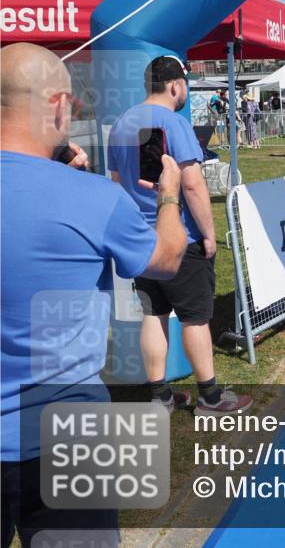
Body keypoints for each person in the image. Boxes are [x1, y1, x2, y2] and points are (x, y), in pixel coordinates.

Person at [1, 44, 187, 547]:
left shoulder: (84, 193)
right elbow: (167, 258)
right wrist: (168, 194)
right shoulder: (94, 199)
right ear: (58, 106)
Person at [108, 56, 252, 415]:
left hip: (140, 238)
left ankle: (160, 396)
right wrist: (208, 232)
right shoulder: (173, 121)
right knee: (194, 317)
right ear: (175, 85)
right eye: (185, 85)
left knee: (153, 314)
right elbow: (192, 183)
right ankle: (211, 397)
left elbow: (115, 182)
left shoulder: (123, 122)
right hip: (179, 234)